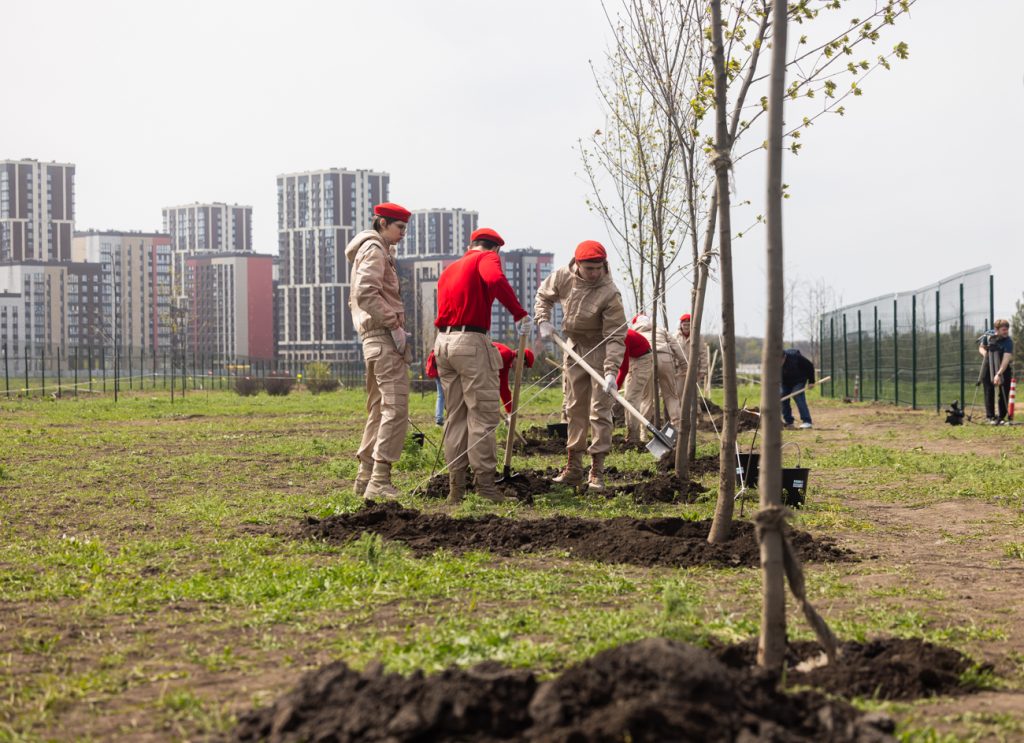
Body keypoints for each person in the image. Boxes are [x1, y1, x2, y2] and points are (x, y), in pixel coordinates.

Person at [433, 227, 531, 505]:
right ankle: (486, 487)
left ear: (470, 245)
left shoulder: (450, 269)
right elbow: (495, 279)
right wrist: (519, 313)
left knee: (456, 417)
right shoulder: (487, 258)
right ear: (495, 248)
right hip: (471, 343)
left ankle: (456, 490)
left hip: (443, 344)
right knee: (484, 416)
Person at [535, 240, 627, 491]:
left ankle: (597, 470)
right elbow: (543, 295)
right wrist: (543, 320)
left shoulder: (610, 292)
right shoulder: (563, 276)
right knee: (574, 408)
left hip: (600, 349)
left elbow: (616, 337)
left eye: (599, 268)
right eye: (589, 269)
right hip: (574, 348)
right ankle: (574, 468)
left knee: (600, 411)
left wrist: (611, 371)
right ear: (577, 265)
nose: (595, 273)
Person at [346, 202, 412, 498]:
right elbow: (365, 292)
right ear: (382, 223)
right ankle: (379, 481)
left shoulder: (372, 249)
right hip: (383, 337)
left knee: (379, 408)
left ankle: (365, 477)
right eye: (399, 227)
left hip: (373, 339)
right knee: (395, 408)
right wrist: (393, 324)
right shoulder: (375, 249)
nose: (403, 233)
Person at [631, 313, 686, 433]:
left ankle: (643, 432)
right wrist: (684, 365)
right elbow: (676, 346)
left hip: (646, 360)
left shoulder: (634, 332)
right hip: (666, 359)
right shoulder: (661, 330)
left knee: (646, 398)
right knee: (671, 396)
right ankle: (677, 429)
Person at [616, 328, 652, 443]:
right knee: (627, 398)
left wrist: (616, 387)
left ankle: (633, 437)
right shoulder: (614, 334)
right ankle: (631, 433)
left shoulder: (622, 337)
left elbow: (624, 368)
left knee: (631, 399)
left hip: (643, 360)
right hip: (634, 358)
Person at [978, 319, 1014, 424]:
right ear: (996, 330)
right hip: (989, 365)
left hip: (1003, 367)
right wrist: (986, 354)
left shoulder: (1008, 341)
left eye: (1007, 330)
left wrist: (998, 374)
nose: (1006, 332)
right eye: (1003, 330)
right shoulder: (988, 336)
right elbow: (981, 347)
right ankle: (990, 417)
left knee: (1004, 390)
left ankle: (1001, 416)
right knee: (989, 390)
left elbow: (1006, 359)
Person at [493, 342, 536, 413]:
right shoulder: (506, 354)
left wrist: (510, 413)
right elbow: (485, 363)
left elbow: (504, 388)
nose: (522, 369)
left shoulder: (506, 364)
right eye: (524, 366)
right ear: (521, 360)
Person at [781, 348, 815, 429]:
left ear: (784, 357)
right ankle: (788, 422)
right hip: (784, 382)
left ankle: (807, 421)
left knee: (797, 395)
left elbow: (809, 366)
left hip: (799, 380)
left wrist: (811, 381)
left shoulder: (796, 357)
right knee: (782, 396)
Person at [675, 313, 708, 391]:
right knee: (679, 393)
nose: (686, 327)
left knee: (693, 392)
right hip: (679, 370)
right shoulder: (675, 337)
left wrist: (703, 370)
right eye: (684, 325)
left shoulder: (698, 337)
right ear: (680, 325)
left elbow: (703, 354)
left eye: (688, 325)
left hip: (694, 370)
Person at [425, 352, 445, 425]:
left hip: (437, 374)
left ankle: (439, 418)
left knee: (440, 396)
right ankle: (442, 417)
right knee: (447, 395)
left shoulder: (436, 350)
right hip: (444, 373)